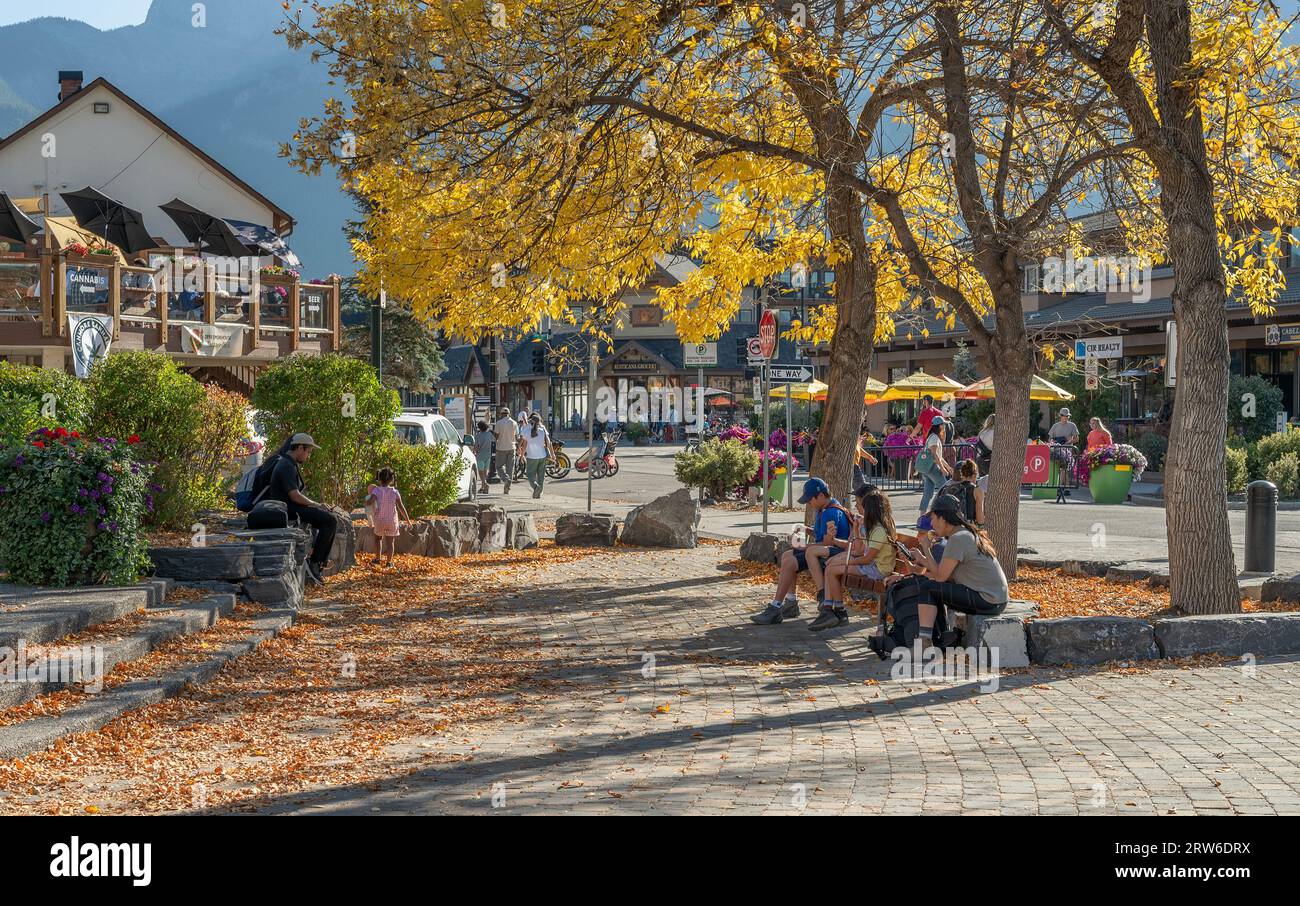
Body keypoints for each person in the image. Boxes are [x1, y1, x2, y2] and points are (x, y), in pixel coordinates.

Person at [888, 494, 1008, 649]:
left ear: (942, 518)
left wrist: (925, 548)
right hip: (996, 600)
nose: (932, 524)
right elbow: (946, 575)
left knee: (928, 588)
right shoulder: (965, 533)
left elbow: (940, 577)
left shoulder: (958, 538)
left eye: (933, 518)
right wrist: (922, 559)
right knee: (930, 585)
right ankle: (940, 638)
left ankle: (924, 645)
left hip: (988, 600)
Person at [751, 478, 852, 625]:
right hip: (825, 551)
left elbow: (827, 542)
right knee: (786, 555)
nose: (808, 504)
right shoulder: (825, 508)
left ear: (821, 496)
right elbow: (821, 536)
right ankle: (790, 601)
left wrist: (802, 546)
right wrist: (807, 530)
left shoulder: (830, 512)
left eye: (810, 500)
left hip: (832, 554)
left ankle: (776, 607)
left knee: (790, 562)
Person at [819, 484, 897, 631]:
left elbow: (867, 558)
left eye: (862, 506)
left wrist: (849, 562)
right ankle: (831, 608)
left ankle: (838, 610)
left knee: (832, 570)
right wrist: (856, 528)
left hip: (878, 569)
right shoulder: (873, 527)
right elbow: (861, 548)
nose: (859, 509)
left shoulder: (879, 530)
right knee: (831, 568)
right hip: (872, 565)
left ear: (871, 510)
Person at [263, 433, 336, 585]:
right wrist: (317, 504)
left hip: (291, 508)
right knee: (330, 521)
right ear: (300, 447)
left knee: (325, 520)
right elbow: (295, 496)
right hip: (288, 510)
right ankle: (316, 564)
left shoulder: (288, 463)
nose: (308, 456)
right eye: (308, 452)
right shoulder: (286, 465)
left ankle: (318, 559)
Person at [365, 467, 409, 567]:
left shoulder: (376, 491)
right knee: (390, 542)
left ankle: (377, 559)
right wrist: (408, 520)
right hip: (392, 521)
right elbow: (401, 507)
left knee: (377, 539)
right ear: (391, 480)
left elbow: (370, 501)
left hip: (380, 520)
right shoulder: (395, 492)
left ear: (379, 479)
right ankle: (389, 562)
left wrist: (366, 501)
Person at [916, 416, 953, 515]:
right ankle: (942, 513)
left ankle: (922, 515)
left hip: (927, 469)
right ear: (940, 426)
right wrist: (943, 468)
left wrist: (948, 467)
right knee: (945, 489)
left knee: (927, 494)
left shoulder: (931, 437)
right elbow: (935, 454)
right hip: (932, 468)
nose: (944, 426)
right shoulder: (935, 438)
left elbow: (938, 456)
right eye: (943, 425)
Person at [939, 458, 985, 526]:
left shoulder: (950, 488)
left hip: (951, 527)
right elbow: (980, 520)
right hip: (968, 528)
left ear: (962, 474)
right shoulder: (977, 490)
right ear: (974, 475)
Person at [520, 412, 555, 498]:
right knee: (541, 475)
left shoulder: (527, 431)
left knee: (530, 475)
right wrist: (552, 454)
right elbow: (548, 443)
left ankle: (536, 487)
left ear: (531, 422)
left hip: (531, 457)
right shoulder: (542, 430)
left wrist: (521, 456)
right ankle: (539, 493)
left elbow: (524, 445)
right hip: (542, 456)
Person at [493, 406, 519, 494]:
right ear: (509, 414)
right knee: (510, 469)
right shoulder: (514, 423)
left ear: (501, 414)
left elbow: (496, 436)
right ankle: (507, 488)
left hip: (501, 448)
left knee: (499, 466)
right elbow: (516, 436)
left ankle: (505, 479)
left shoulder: (499, 423)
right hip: (512, 447)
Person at [473, 420, 494, 493]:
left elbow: (476, 446)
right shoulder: (489, 434)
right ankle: (483, 487)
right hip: (488, 455)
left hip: (480, 456)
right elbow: (494, 440)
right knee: (485, 472)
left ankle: (485, 484)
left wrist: (474, 452)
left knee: (480, 472)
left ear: (479, 427)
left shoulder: (478, 436)